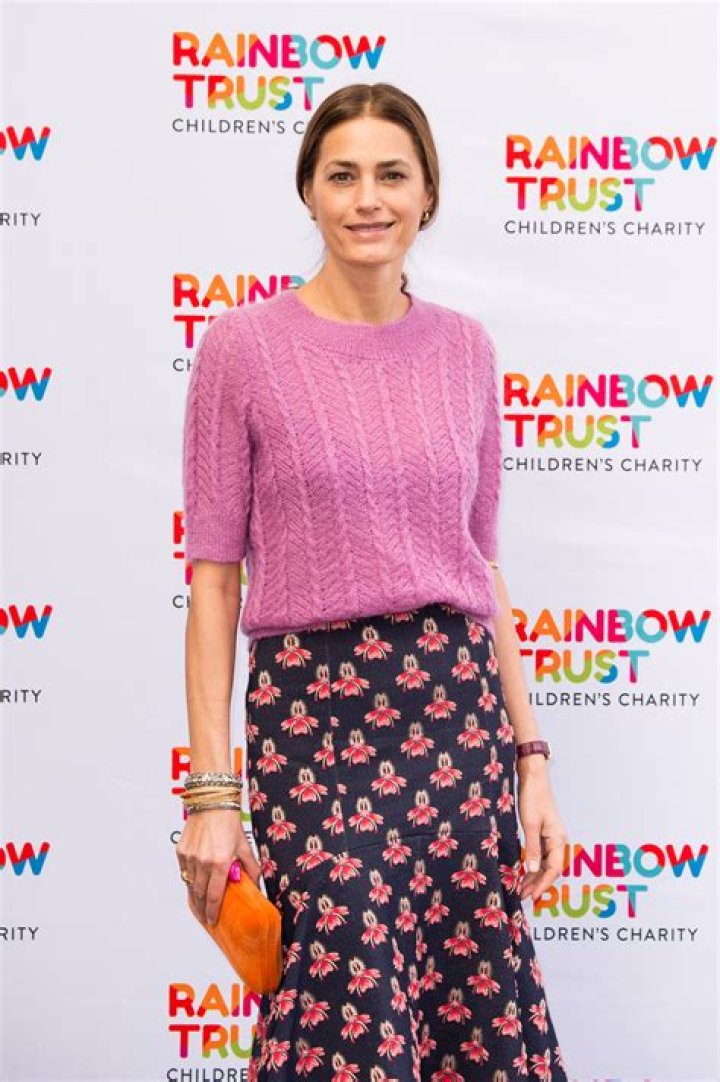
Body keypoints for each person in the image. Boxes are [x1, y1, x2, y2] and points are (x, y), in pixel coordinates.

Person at [177, 81, 570, 1081]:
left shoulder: (467, 349)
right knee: (342, 998)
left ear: (428, 193)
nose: (367, 199)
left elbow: (481, 565)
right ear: (308, 191)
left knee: (470, 998)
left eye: (392, 174)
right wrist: (213, 794)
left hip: (457, 718)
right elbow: (214, 584)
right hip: (314, 722)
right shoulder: (241, 350)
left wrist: (531, 759)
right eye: (341, 175)